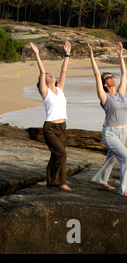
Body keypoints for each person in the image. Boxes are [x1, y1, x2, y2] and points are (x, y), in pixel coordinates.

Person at [88, 42, 127, 199]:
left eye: (113, 76)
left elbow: (125, 74)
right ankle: (124, 189)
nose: (113, 78)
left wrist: (121, 55)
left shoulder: (120, 93)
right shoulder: (104, 96)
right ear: (105, 83)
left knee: (112, 157)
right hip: (110, 132)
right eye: (109, 77)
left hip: (123, 131)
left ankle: (102, 180)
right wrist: (92, 57)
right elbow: (96, 74)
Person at [31, 41, 72, 191]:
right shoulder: (45, 92)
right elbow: (42, 72)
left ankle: (51, 181)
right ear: (44, 81)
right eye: (48, 75)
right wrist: (37, 55)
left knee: (56, 155)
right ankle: (61, 182)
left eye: (50, 74)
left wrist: (67, 54)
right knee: (62, 153)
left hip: (62, 127)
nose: (50, 75)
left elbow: (64, 71)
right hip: (50, 127)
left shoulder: (60, 88)